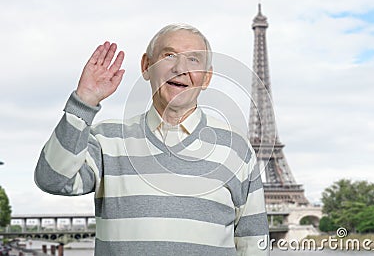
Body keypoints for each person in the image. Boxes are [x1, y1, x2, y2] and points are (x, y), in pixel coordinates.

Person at [35, 23, 269, 255]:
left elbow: (253, 241)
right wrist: (84, 102)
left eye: (193, 60)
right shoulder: (107, 139)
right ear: (147, 66)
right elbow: (52, 180)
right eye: (169, 55)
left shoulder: (237, 148)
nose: (180, 68)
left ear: (206, 78)